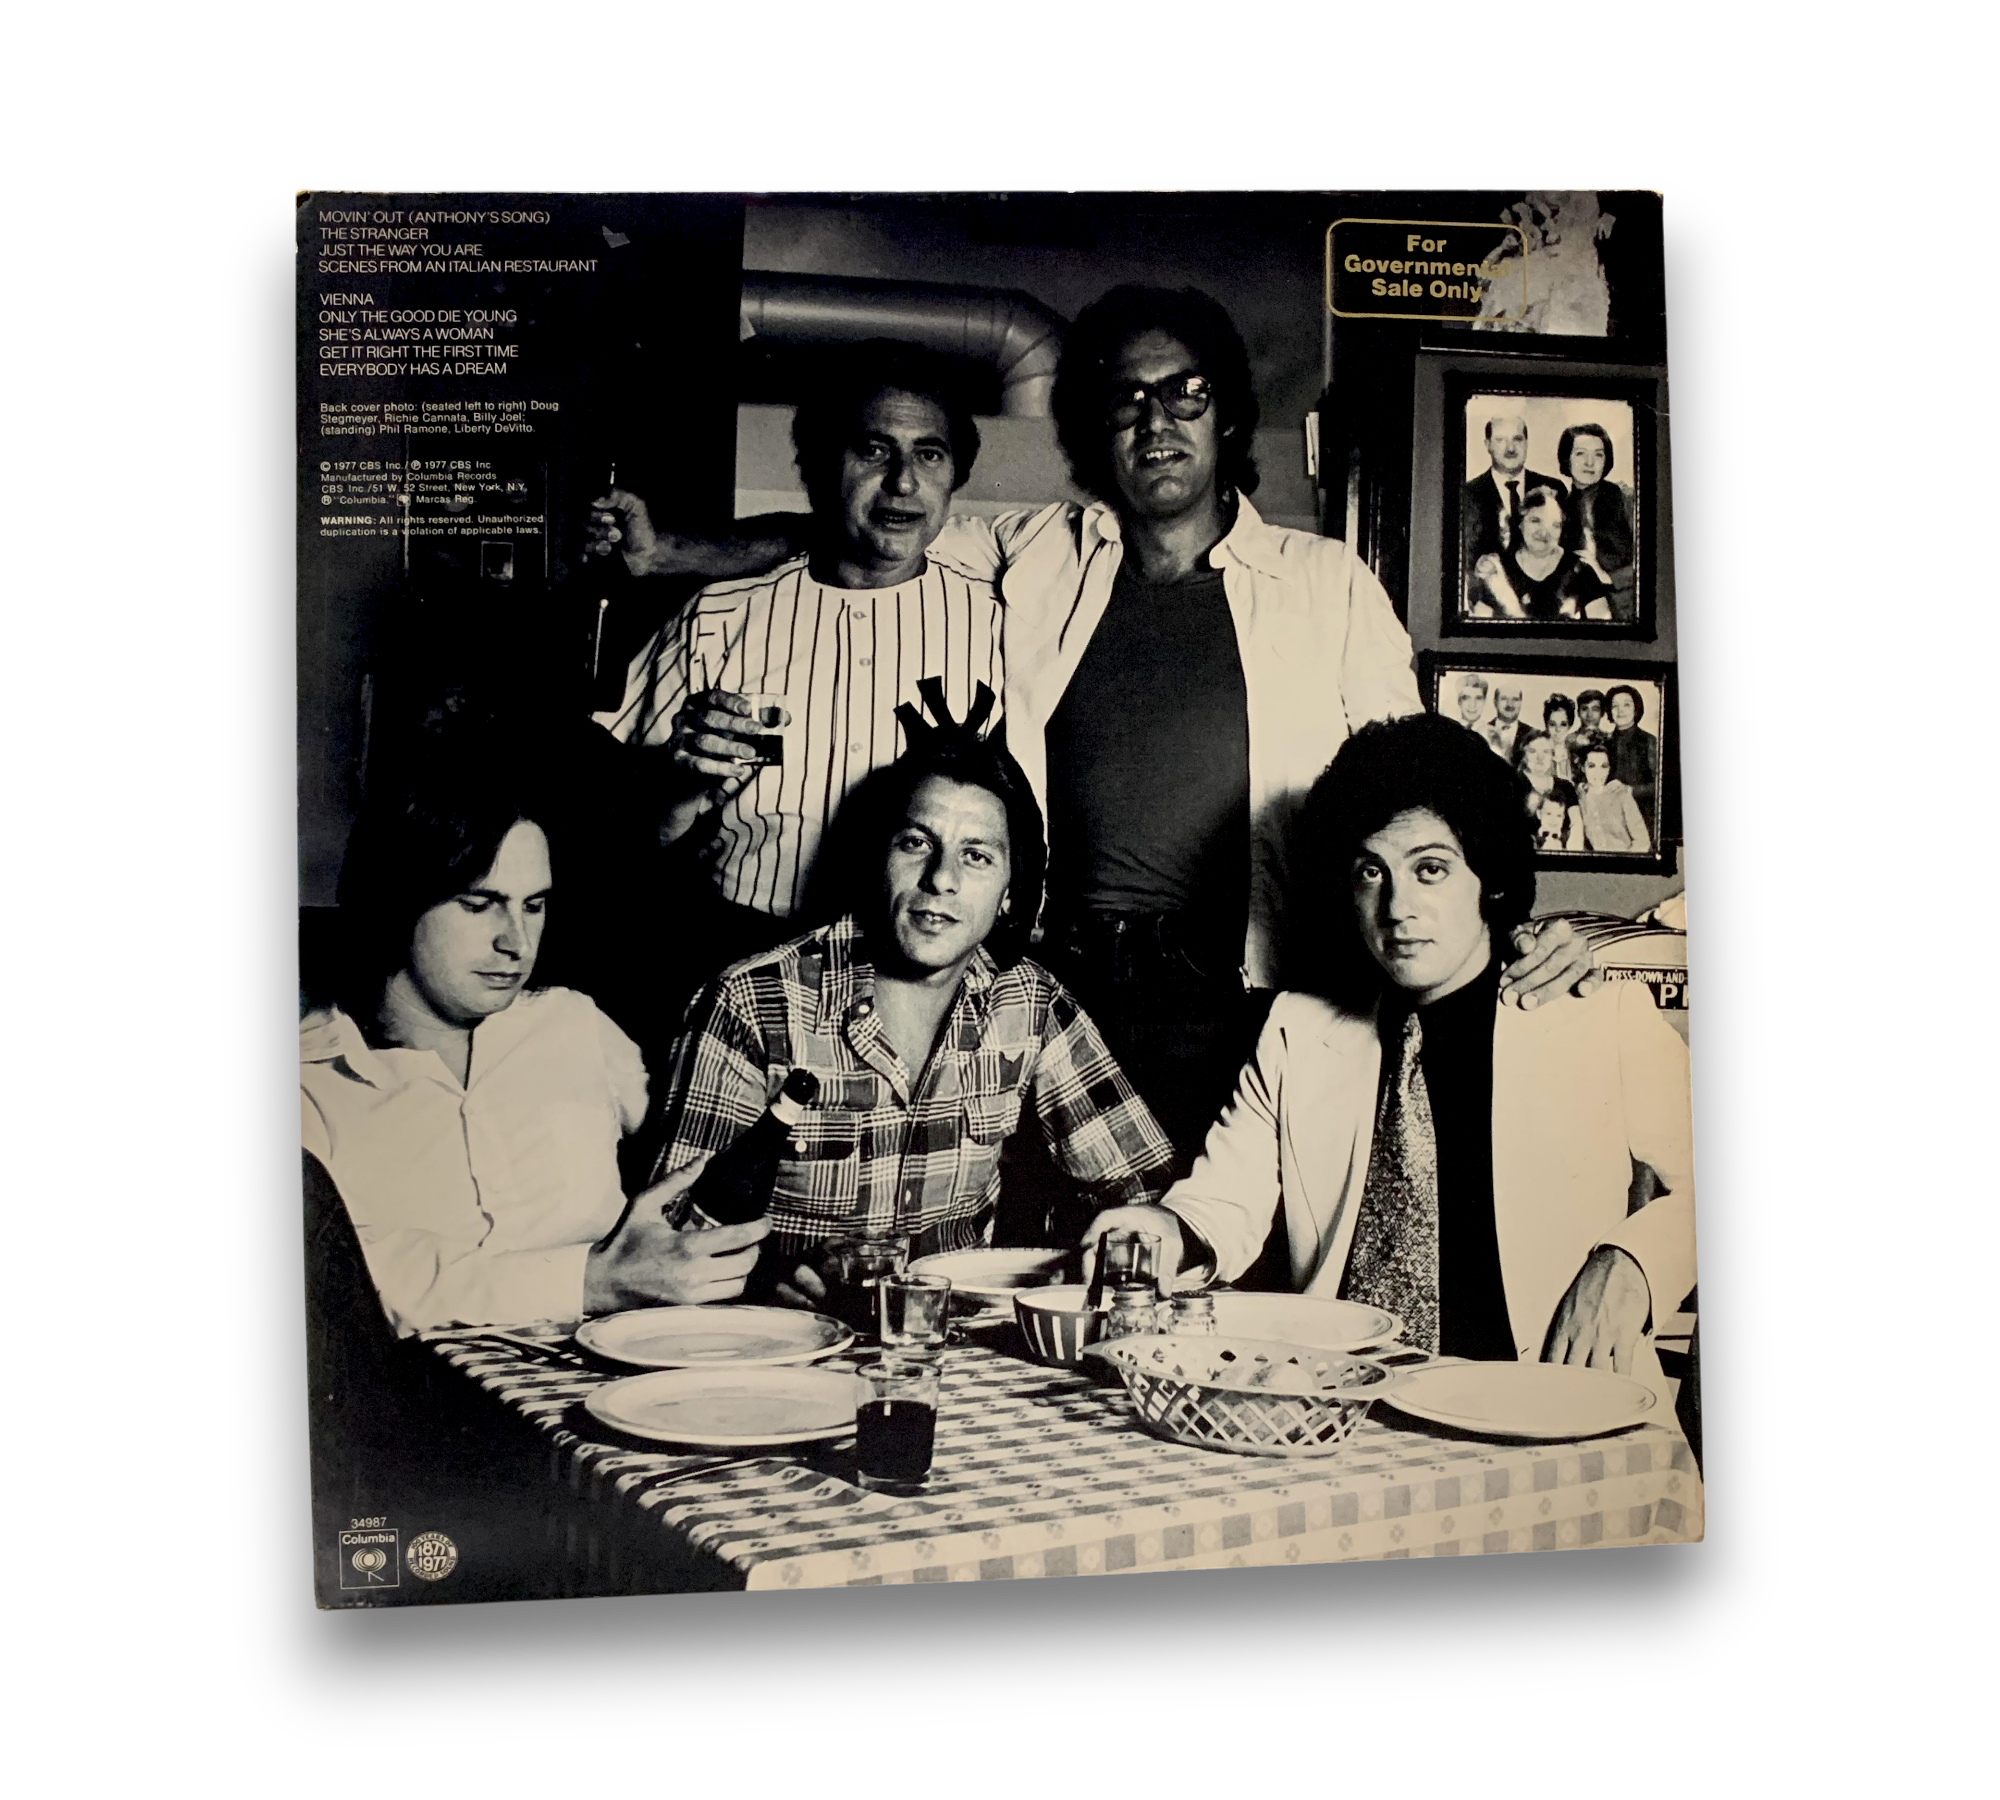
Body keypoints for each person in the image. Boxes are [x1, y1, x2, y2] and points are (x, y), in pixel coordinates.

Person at [593, 288, 1600, 1161]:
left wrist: (1517, 922)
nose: (1154, 420)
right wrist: (673, 553)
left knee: (1218, 1253)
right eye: (1124, 398)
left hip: (1243, 1004)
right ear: (1090, 428)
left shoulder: (1323, 583)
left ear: (1227, 415)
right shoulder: (1036, 552)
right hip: (1051, 1000)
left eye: (1184, 391)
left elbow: (1423, 790)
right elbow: (866, 527)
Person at [1079, 712, 1694, 1381]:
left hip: (1547, 1403)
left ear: (1488, 876)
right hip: (1345, 1407)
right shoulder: (1296, 1032)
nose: (1398, 907)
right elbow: (1223, 1203)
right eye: (1372, 871)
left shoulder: (1597, 1016)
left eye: (1430, 869)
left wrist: (1631, 1262)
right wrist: (1164, 1232)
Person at [646, 731, 1178, 1304]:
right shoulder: (754, 1001)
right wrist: (772, 1275)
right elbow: (665, 1246)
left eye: (976, 855)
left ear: (1009, 891)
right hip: (784, 1339)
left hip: (959, 1340)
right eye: (916, 843)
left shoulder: (1029, 1002)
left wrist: (1093, 1254)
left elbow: (1148, 1199)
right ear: (878, 858)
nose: (941, 878)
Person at [299, 748, 769, 1338]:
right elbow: (340, 1287)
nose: (516, 943)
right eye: (479, 905)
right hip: (422, 1387)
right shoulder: (315, 1081)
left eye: (535, 905)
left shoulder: (572, 1023)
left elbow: (704, 1150)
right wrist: (589, 1280)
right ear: (395, 900)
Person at [588, 338, 1006, 989]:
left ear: (955, 475)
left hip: (922, 971)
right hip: (735, 951)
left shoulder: (1000, 623)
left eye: (929, 453)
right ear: (818, 466)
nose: (903, 481)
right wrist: (675, 786)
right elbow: (614, 833)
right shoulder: (718, 615)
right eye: (872, 450)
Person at [1461, 413, 1563, 610]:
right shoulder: (1468, 494)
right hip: (1491, 603)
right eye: (1500, 440)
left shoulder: (1554, 488)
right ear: (1488, 445)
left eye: (1517, 439)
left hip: (1547, 604)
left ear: (1527, 443)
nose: (1510, 448)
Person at [1468, 486, 1615, 621]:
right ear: (1520, 523)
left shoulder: (1579, 568)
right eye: (1536, 521)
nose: (1544, 532)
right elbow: (1478, 630)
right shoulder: (1497, 569)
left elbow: (1603, 628)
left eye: (1555, 525)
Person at [1558, 422, 1635, 617]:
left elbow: (1652, 560)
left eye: (1598, 455)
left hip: (1624, 603)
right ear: (1566, 458)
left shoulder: (1625, 499)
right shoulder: (1559, 508)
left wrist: (1609, 577)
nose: (1589, 463)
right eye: (1580, 454)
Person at [1577, 742, 1652, 854]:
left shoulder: (1621, 794)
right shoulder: (1579, 798)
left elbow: (1643, 841)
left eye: (1604, 766)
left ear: (1609, 768)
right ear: (1583, 768)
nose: (1598, 772)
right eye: (1592, 766)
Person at [1605, 683, 1660, 826]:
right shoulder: (1604, 742)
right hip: (1610, 817)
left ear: (1636, 709)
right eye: (1615, 706)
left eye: (1627, 705)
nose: (1620, 711)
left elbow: (1660, 785)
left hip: (1642, 815)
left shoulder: (1649, 741)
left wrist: (1631, 790)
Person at [1518, 731, 1582, 849]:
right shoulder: (1513, 783)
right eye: (1533, 751)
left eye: (1546, 752)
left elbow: (1576, 824)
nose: (1540, 758)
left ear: (1552, 755)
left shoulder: (1565, 787)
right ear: (1524, 755)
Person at [1481, 682, 1531, 766]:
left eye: (1515, 699)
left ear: (1521, 703)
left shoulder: (1532, 734)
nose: (1510, 704)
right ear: (1495, 702)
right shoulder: (1482, 732)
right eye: (1504, 699)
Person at [1568, 689, 1612, 771]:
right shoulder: (1569, 741)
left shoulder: (1610, 740)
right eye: (1585, 709)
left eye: (1595, 709)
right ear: (1578, 713)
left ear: (1602, 713)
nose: (1589, 715)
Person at [1541, 693, 1578, 782]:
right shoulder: (1540, 754)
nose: (1558, 730)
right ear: (1546, 725)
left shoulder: (1575, 755)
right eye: (1552, 724)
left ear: (1570, 725)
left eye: (1563, 724)